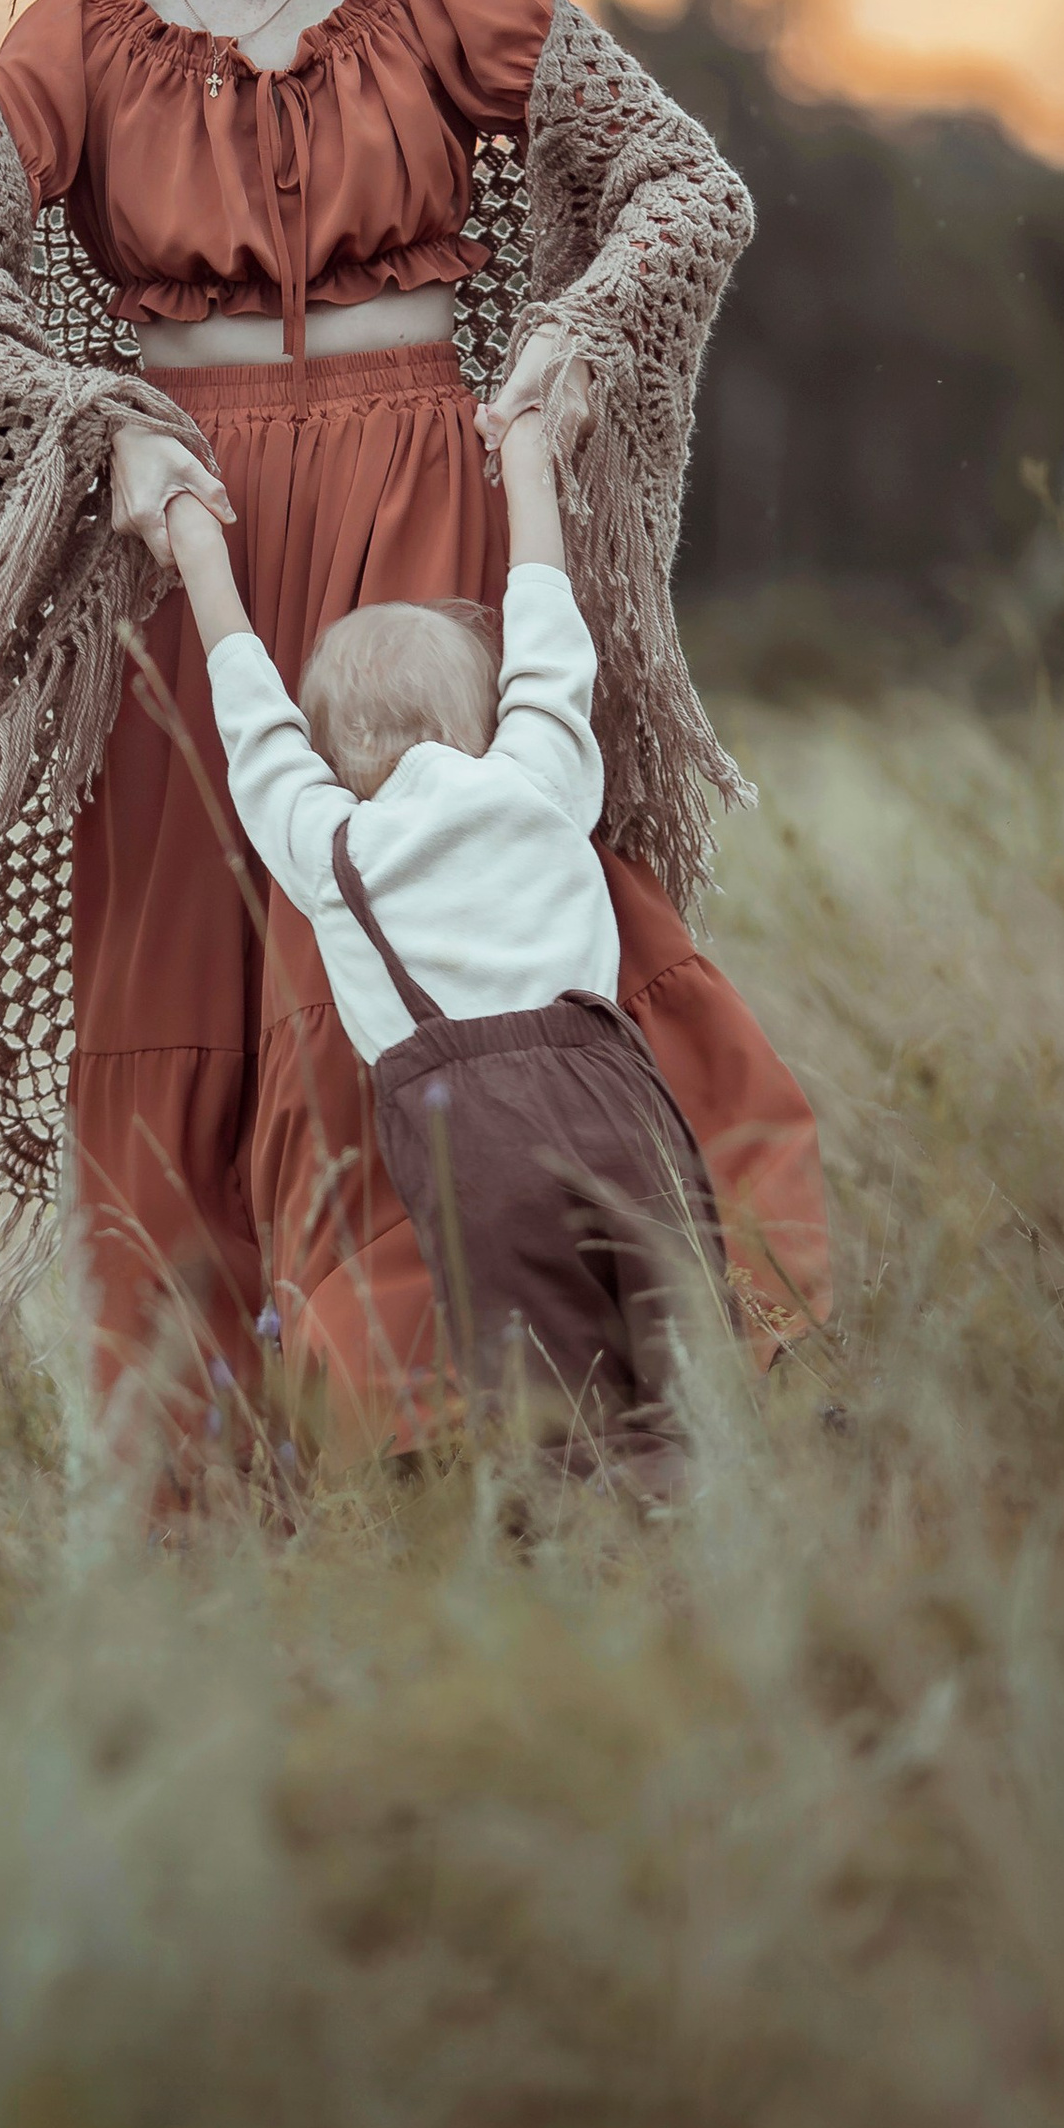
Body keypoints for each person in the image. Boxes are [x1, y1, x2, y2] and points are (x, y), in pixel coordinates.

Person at [0, 0, 827, 1478]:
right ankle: (199, 1494)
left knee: (462, 968)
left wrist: (580, 346)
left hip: (430, 528)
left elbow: (687, 183)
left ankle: (500, 1444)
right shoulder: (81, 41)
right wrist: (93, 419)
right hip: (195, 564)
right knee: (196, 991)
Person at [162, 401, 727, 1458]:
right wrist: (522, 458)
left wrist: (200, 548)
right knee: (688, 1347)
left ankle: (583, 1551)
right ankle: (719, 1517)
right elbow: (551, 637)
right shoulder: (538, 780)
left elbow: (251, 723)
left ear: (330, 757)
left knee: (551, 1400)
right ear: (479, 720)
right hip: (618, 1103)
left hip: (475, 1152)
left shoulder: (329, 845)